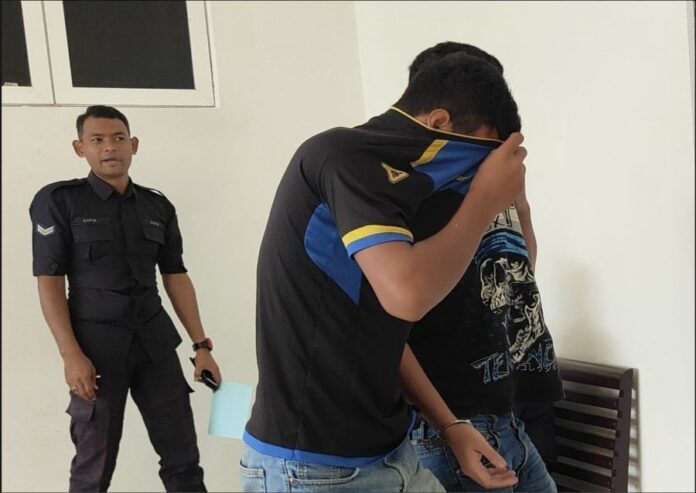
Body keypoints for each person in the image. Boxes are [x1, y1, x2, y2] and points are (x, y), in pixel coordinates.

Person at [240, 52, 528, 492]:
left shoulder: (399, 192)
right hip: (313, 470)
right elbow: (407, 297)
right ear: (439, 121)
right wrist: (485, 199)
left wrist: (450, 425)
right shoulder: (342, 155)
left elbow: (384, 332)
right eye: (476, 160)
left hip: (392, 452)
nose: (472, 176)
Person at [30, 105, 221, 492]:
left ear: (133, 144)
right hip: (96, 351)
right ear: (80, 148)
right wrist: (71, 355)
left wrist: (201, 346)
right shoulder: (60, 201)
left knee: (184, 460)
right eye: (97, 140)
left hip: (155, 346)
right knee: (93, 468)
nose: (109, 147)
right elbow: (49, 281)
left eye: (118, 138)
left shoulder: (156, 206)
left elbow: (176, 275)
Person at [405, 43, 563, 492]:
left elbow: (520, 272)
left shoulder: (487, 182)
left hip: (511, 407)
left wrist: (520, 205)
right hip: (452, 424)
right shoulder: (413, 192)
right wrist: (448, 425)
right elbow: (395, 319)